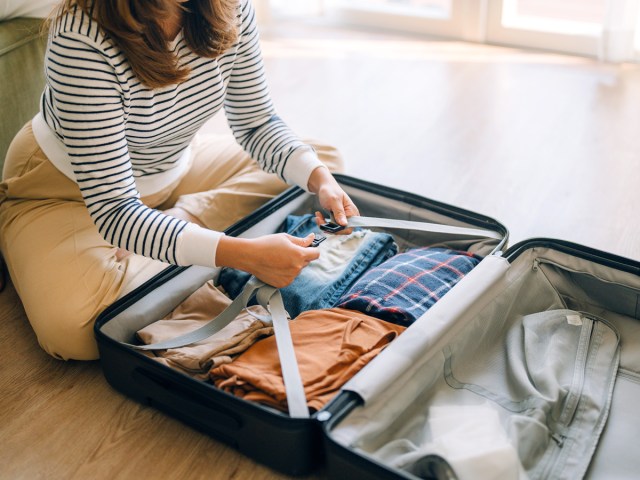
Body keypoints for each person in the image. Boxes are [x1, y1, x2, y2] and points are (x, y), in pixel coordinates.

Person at [0, 0, 359, 361]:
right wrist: (242, 255)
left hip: (171, 165)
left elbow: (256, 122)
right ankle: (175, 238)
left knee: (321, 161)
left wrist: (321, 181)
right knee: (74, 331)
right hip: (65, 191)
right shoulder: (80, 36)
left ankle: (177, 227)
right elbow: (114, 210)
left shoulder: (230, 5)